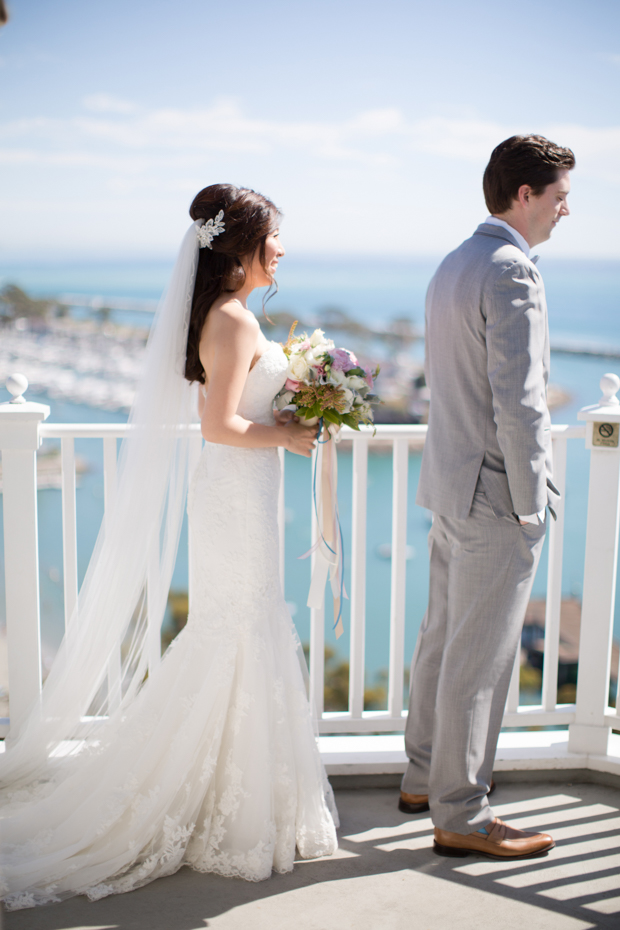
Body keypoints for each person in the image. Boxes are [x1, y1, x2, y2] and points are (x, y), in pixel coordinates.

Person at [0, 184, 338, 910]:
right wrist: (288, 433)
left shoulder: (230, 316)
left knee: (245, 627)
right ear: (243, 245)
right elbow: (218, 424)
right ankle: (225, 807)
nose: (282, 248)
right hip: (237, 488)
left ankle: (238, 793)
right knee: (237, 628)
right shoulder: (233, 320)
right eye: (274, 237)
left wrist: (294, 406)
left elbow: (232, 408)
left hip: (243, 488)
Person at [400, 135, 575, 859]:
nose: (569, 209)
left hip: (449, 483)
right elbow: (521, 400)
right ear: (524, 194)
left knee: (444, 641)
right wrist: (534, 499)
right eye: (561, 195)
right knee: (482, 660)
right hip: (497, 495)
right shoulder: (510, 269)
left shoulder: (455, 262)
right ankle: (462, 814)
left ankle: (421, 778)